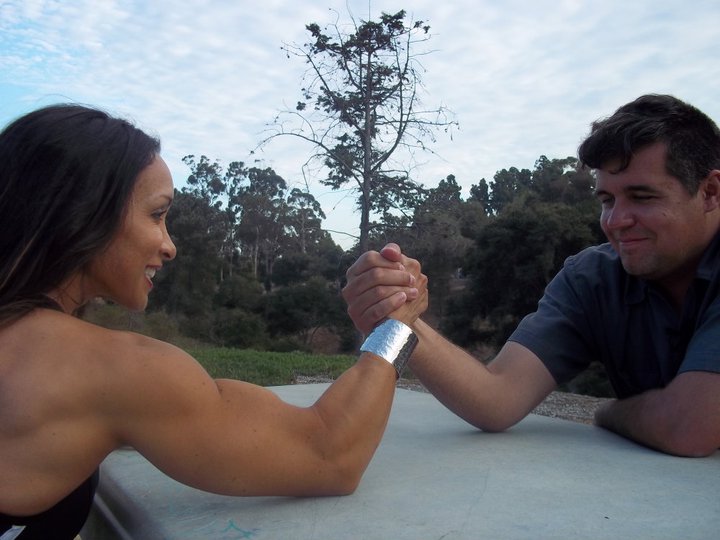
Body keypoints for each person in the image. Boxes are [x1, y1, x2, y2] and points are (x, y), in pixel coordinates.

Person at [0, 104, 427, 539]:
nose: (169, 246)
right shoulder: (109, 370)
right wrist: (398, 325)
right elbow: (328, 454)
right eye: (156, 214)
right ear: (82, 213)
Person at [343, 94, 720, 458]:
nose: (616, 221)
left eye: (643, 197)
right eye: (607, 200)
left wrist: (610, 412)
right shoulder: (592, 280)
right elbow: (495, 399)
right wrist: (399, 316)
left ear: (710, 192)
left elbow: (689, 427)